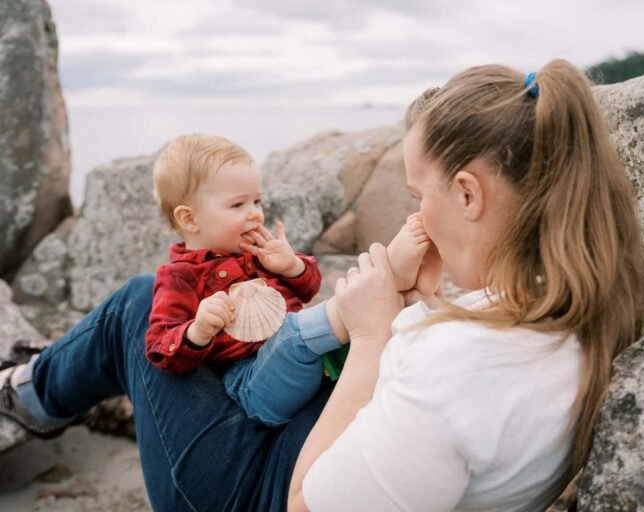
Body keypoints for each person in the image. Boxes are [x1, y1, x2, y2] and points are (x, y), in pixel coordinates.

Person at [0, 59, 644, 511]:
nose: (416, 216)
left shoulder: (457, 374)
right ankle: (36, 387)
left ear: (469, 194)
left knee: (137, 304)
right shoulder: (575, 300)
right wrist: (423, 302)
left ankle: (29, 397)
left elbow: (306, 503)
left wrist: (369, 338)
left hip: (255, 492)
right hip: (318, 439)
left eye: (420, 195)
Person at [145, 133, 432, 425]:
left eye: (257, 201)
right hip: (252, 383)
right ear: (189, 219)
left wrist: (291, 266)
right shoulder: (178, 277)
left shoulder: (256, 251)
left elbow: (309, 289)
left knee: (367, 338)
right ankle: (381, 283)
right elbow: (159, 348)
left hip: (309, 363)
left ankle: (396, 298)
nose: (255, 215)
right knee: (293, 336)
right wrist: (197, 330)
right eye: (238, 205)